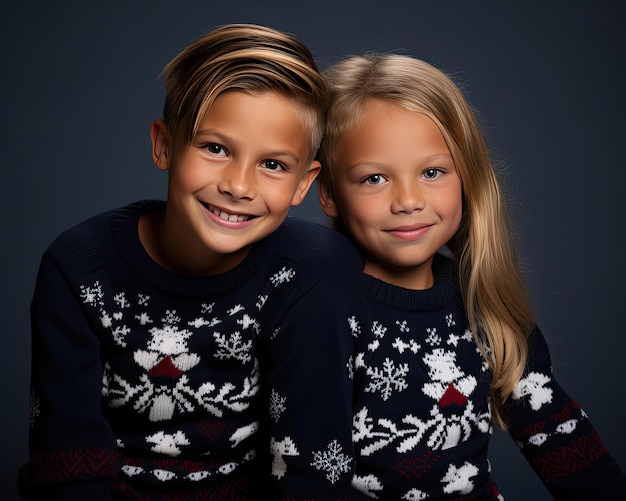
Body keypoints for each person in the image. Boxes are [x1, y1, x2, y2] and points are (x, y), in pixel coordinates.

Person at [18, 24, 366, 500]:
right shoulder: (79, 268)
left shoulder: (310, 273)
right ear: (164, 145)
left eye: (273, 165)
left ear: (304, 183)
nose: (239, 186)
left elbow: (313, 461)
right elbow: (66, 459)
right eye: (215, 148)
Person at [316, 53, 625, 500]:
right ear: (328, 193)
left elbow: (562, 441)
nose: (408, 200)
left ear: (466, 175)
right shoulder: (316, 308)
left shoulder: (482, 306)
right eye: (375, 178)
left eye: (432, 172)